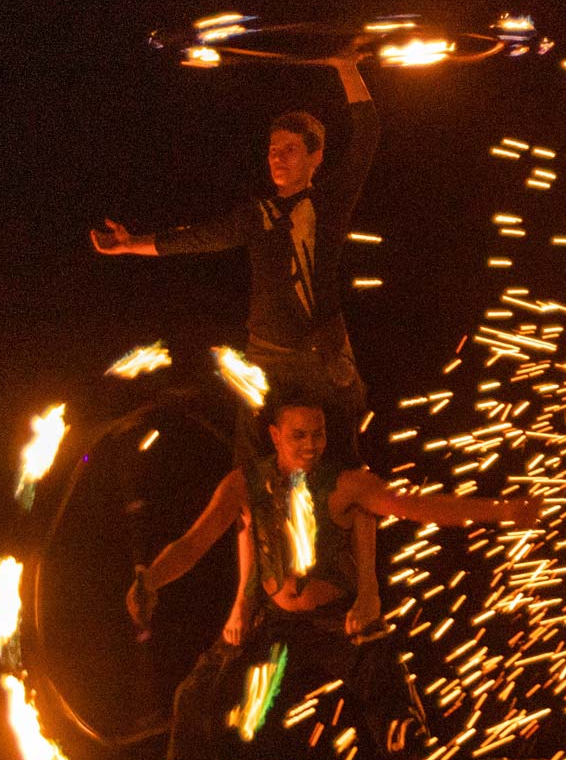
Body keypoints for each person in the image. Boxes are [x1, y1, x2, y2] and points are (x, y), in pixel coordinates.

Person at [126, 394, 540, 760]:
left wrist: (503, 512)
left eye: (317, 434)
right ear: (274, 436)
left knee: (389, 694)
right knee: (195, 693)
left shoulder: (347, 484)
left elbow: (417, 506)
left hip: (334, 617)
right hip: (270, 614)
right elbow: (193, 544)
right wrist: (149, 581)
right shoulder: (244, 484)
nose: (309, 444)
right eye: (298, 435)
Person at [93, 44, 378, 469]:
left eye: (290, 149)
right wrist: (131, 243)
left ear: (315, 157)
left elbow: (366, 135)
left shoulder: (329, 204)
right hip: (266, 358)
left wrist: (346, 67)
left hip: (321, 356)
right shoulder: (255, 215)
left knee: (340, 463)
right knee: (252, 465)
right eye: (273, 150)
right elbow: (198, 238)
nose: (277, 157)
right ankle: (256, 532)